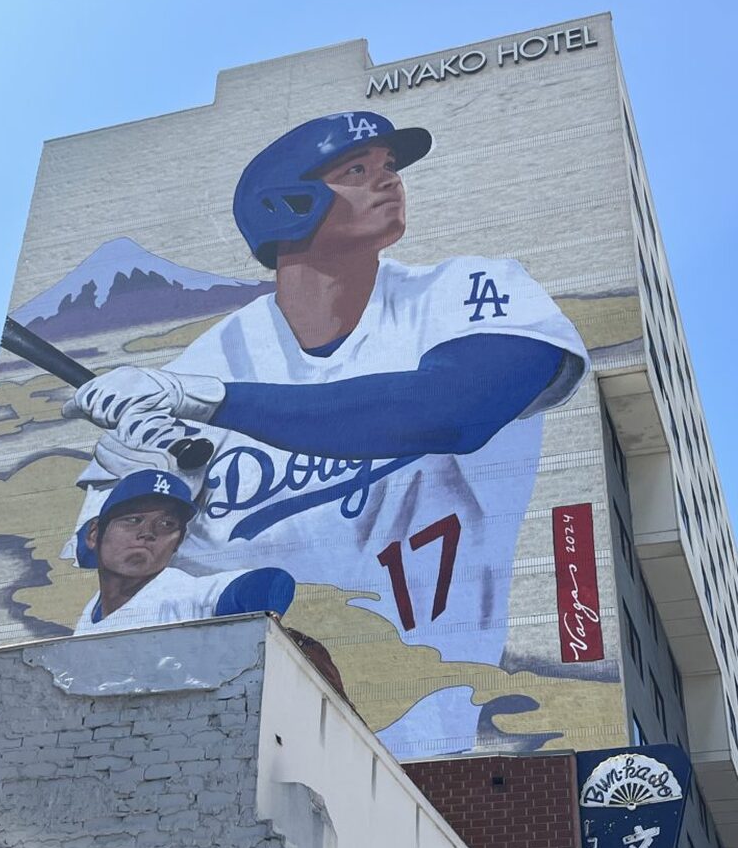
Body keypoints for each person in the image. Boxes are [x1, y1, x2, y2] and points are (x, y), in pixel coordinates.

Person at [64, 112, 590, 755]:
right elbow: (104, 563)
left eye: (390, 167)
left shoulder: (468, 290)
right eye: (358, 170)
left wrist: (211, 403)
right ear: (286, 204)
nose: (389, 181)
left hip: (430, 743)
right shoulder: (195, 367)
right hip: (231, 742)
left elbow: (454, 409)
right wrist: (143, 487)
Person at [74, 468, 294, 635]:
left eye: (166, 524)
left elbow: (270, 581)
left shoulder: (179, 592)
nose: (148, 532)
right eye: (133, 519)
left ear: (177, 543)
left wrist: (263, 633)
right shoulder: (90, 612)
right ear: (94, 533)